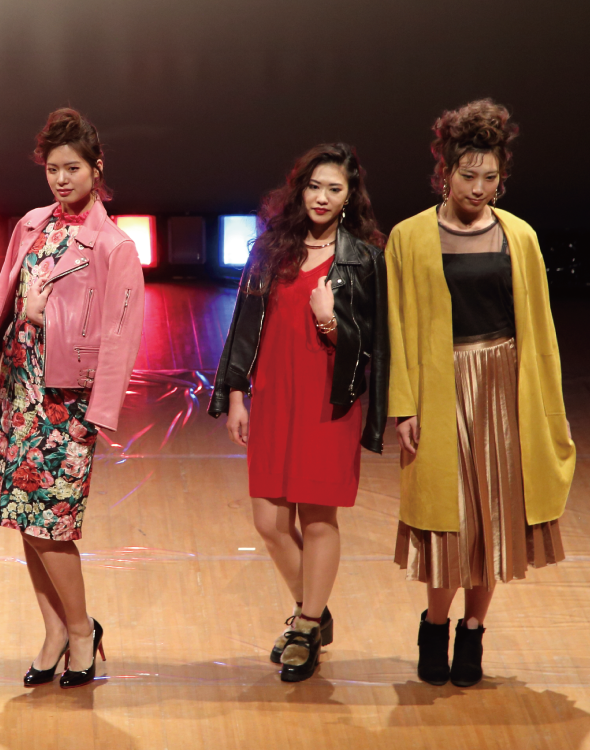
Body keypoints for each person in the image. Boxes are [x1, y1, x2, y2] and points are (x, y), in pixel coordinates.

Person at [385, 98, 573, 688]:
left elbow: (539, 330)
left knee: (492, 516)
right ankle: (434, 626)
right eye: (468, 175)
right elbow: (397, 327)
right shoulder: (409, 237)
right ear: (445, 172)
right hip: (440, 386)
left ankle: (473, 632)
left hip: (502, 385)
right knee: (449, 518)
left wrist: (539, 405)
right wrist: (404, 405)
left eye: (490, 177)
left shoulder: (519, 236)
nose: (479, 188)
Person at [0, 108, 145, 689]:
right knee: (26, 519)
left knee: (54, 526)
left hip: (68, 403)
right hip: (22, 392)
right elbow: (8, 304)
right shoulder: (31, 225)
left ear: (97, 168)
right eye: (52, 169)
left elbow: (121, 336)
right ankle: (54, 631)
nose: (61, 179)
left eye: (72, 168)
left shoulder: (114, 245)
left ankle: (81, 630)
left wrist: (98, 415)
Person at [208, 143, 389, 682]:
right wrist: (236, 394)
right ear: (300, 189)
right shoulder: (271, 251)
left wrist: (331, 320)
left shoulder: (363, 259)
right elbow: (243, 326)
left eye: (335, 188)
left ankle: (306, 625)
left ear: (350, 196)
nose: (322, 197)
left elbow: (375, 345)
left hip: (328, 401)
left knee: (318, 517)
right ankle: (314, 610)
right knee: (269, 521)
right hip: (273, 395)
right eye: (314, 186)